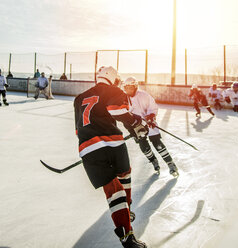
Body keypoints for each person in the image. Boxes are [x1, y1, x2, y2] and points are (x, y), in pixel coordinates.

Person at [74, 66, 148, 248]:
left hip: (87, 147)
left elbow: (78, 129)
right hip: (113, 144)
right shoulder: (114, 90)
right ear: (113, 79)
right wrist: (136, 122)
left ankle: (126, 237)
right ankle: (127, 209)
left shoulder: (79, 98)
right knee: (125, 173)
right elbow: (117, 110)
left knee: (113, 190)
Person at [123, 76, 179, 177]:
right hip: (137, 127)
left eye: (130, 88)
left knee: (157, 144)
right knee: (144, 147)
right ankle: (154, 161)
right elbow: (125, 116)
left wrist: (150, 117)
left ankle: (170, 164)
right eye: (126, 88)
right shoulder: (124, 99)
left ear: (135, 87)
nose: (128, 90)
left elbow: (153, 108)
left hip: (149, 124)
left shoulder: (144, 95)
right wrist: (131, 130)